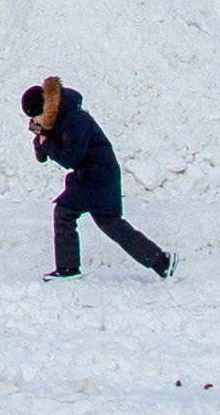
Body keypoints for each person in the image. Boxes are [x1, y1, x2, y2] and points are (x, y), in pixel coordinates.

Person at [23, 77, 172, 280]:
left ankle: (68, 269)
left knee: (64, 213)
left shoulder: (74, 119)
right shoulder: (57, 118)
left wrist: (47, 141)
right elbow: (42, 158)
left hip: (97, 176)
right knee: (111, 224)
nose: (36, 122)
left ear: (45, 108)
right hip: (96, 176)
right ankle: (161, 262)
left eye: (36, 117)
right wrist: (40, 137)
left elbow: (71, 158)